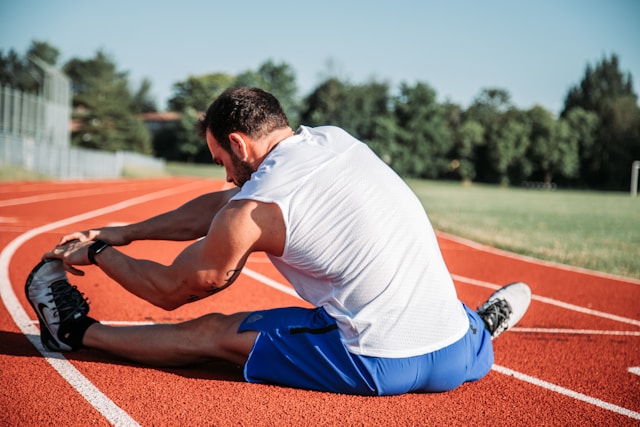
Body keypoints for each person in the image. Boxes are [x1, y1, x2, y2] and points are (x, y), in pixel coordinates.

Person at [25, 87, 531, 396]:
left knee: (211, 334)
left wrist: (98, 252)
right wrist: (124, 232)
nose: (224, 175)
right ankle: (480, 328)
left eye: (221, 160)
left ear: (240, 145)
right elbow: (224, 207)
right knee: (422, 290)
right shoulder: (333, 140)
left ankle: (74, 333)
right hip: (454, 355)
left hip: (375, 360)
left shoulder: (253, 209)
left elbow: (172, 289)